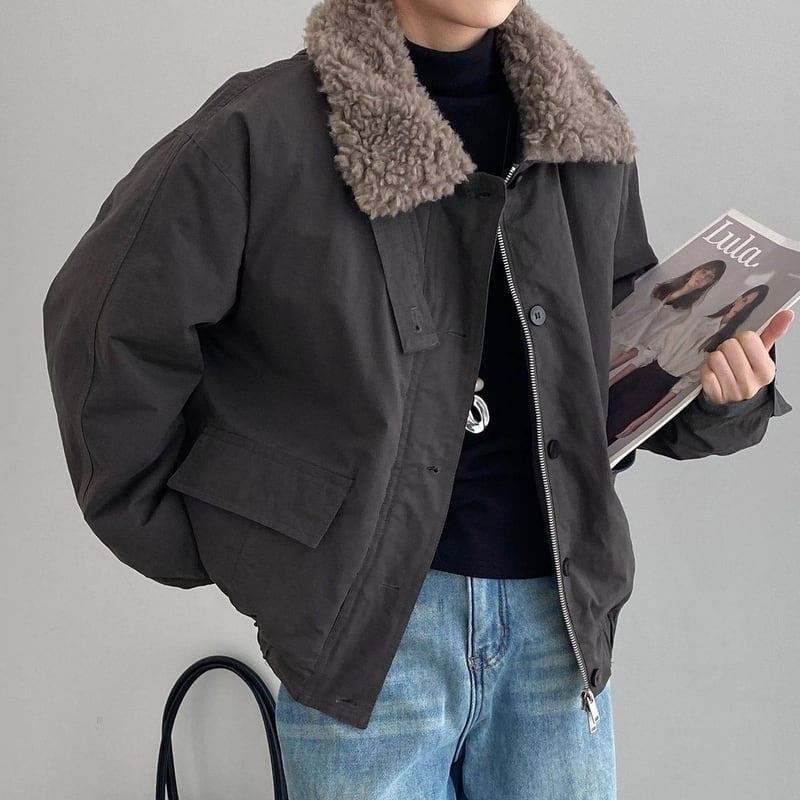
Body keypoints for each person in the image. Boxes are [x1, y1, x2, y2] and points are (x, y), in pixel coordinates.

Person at [41, 0, 794, 798]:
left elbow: (605, 352)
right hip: (370, 635)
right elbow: (109, 326)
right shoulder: (264, 130)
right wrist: (227, 541)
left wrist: (720, 392)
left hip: (559, 622)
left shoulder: (582, 128)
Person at [607, 285, 769, 443]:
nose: (742, 307)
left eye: (749, 305)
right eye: (744, 300)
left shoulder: (724, 346)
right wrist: (610, 381)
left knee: (612, 430)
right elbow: (648, 353)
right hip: (641, 374)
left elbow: (681, 385)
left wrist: (646, 417)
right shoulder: (697, 323)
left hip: (658, 391)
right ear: (738, 299)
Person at [609, 260, 726, 370]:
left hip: (623, 345)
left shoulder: (683, 312)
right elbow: (621, 307)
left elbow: (650, 340)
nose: (703, 278)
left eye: (709, 277)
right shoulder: (657, 287)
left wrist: (617, 362)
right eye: (703, 272)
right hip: (610, 328)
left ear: (711, 283)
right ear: (696, 270)